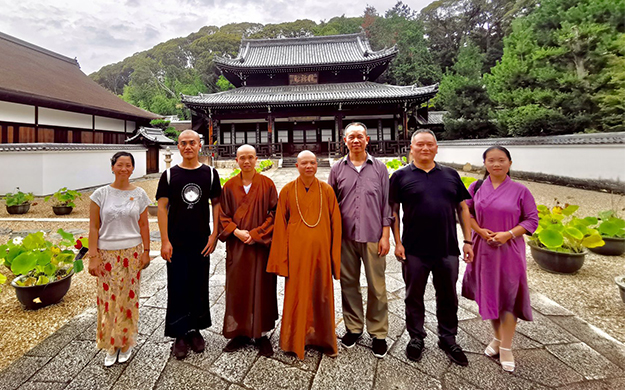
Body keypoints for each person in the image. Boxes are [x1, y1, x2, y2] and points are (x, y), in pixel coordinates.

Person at [389, 129, 474, 367]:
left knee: (447, 295)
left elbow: (463, 209)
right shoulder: (400, 176)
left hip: (447, 247)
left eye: (429, 145)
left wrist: (468, 240)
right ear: (411, 148)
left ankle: (448, 337)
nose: (425, 149)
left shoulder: (450, 175)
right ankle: (416, 337)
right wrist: (398, 242)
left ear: (436, 148)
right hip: (414, 248)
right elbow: (393, 211)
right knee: (413, 296)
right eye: (420, 145)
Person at [461, 146, 538, 373]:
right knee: (490, 295)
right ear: (485, 164)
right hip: (483, 249)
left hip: (509, 250)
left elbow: (532, 220)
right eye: (491, 160)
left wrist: (508, 234)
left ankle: (506, 347)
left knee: (509, 296)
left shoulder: (521, 191)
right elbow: (466, 212)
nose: (496, 164)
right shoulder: (475, 187)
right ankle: (497, 338)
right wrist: (480, 231)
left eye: (501, 160)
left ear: (510, 163)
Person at [267, 150, 342, 359]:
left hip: (321, 254)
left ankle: (322, 339)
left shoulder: (326, 191)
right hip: (296, 254)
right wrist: (281, 260)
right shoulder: (288, 191)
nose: (309, 166)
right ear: (297, 166)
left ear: (317, 165)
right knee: (297, 296)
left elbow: (336, 225)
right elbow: (280, 226)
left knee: (322, 295)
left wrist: (335, 260)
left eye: (312, 162)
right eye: (304, 163)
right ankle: (294, 340)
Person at [328, 122, 392, 358]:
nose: (355, 141)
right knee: (349, 284)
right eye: (351, 137)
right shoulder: (337, 169)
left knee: (377, 286)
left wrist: (386, 235)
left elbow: (387, 203)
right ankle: (353, 328)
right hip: (345, 237)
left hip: (374, 235)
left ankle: (378, 333)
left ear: (367, 139)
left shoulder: (379, 168)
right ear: (344, 141)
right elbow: (330, 204)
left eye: (359, 137)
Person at [156, 129, 221, 360]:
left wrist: (214, 234)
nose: (187, 147)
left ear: (199, 145)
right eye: (183, 143)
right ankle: (179, 333)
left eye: (192, 142)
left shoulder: (210, 174)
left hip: (201, 240)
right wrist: (164, 240)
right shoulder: (170, 175)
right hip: (176, 241)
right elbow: (162, 208)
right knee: (177, 285)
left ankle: (195, 330)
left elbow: (216, 204)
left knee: (198, 284)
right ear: (178, 147)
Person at [88, 151, 151, 367]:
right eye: (120, 165)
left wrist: (146, 251)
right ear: (112, 167)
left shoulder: (141, 194)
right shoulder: (100, 194)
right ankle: (110, 344)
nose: (124, 169)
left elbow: (144, 225)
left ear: (133, 169)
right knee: (108, 299)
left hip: (132, 252)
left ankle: (125, 342)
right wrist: (93, 256)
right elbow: (94, 227)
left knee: (128, 298)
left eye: (128, 165)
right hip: (107, 253)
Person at [219, 144, 279, 356]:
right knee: (238, 287)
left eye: (250, 157)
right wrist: (236, 232)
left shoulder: (267, 184)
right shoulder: (228, 187)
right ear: (237, 161)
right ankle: (240, 332)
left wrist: (256, 234)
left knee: (261, 287)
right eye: (242, 158)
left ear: (256, 159)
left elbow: (275, 214)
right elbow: (222, 215)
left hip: (260, 247)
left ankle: (261, 334)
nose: (246, 161)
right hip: (237, 247)